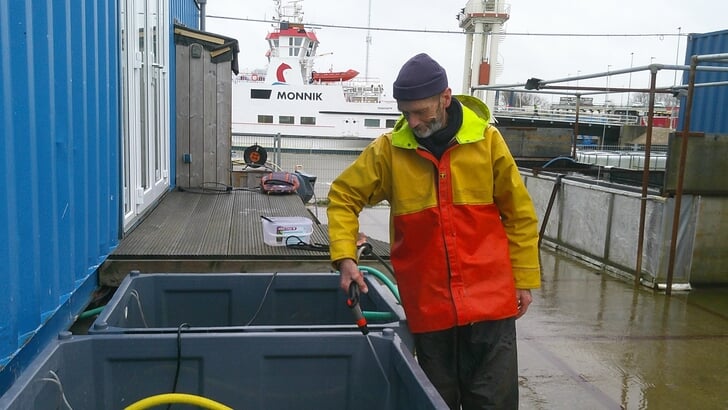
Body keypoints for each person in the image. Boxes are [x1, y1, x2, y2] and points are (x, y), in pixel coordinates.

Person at [327, 53, 541, 409]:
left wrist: (524, 280)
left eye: (421, 112)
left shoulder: (488, 143)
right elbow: (342, 196)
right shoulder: (388, 151)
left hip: (491, 306)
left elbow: (519, 215)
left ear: (445, 98)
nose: (412, 122)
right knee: (433, 402)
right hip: (429, 308)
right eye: (405, 112)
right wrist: (345, 256)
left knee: (494, 402)